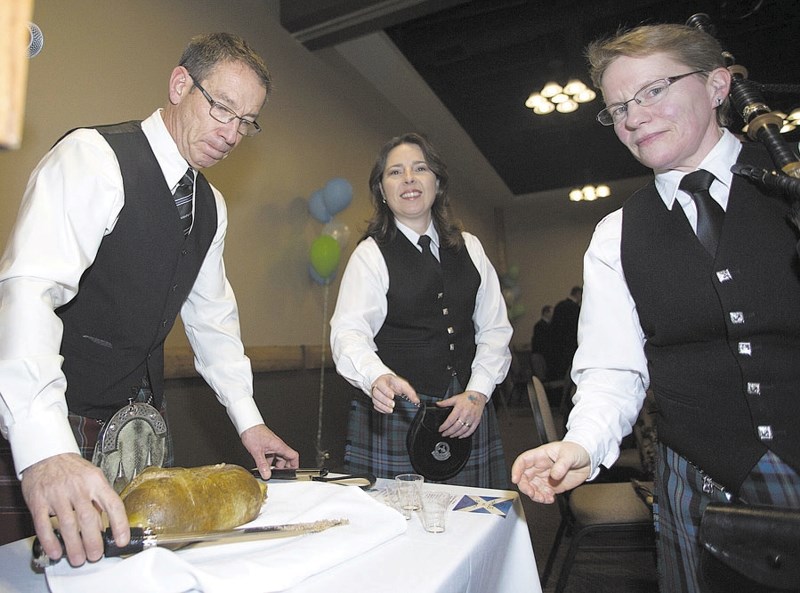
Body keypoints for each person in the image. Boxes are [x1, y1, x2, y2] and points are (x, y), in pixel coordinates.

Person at [511, 23, 800, 593]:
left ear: (718, 85)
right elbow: (615, 369)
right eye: (618, 108)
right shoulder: (615, 236)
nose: (634, 117)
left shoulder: (788, 185)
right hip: (700, 480)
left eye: (654, 91)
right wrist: (583, 445)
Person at [0, 33, 299, 566]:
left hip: (141, 436)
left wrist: (249, 420)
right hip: (53, 424)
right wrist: (44, 448)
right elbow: (27, 293)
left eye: (246, 122)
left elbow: (213, 322)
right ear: (181, 84)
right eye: (222, 108)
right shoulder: (93, 157)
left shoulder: (211, 206)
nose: (231, 134)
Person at [330, 132, 512, 488]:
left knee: (476, 523)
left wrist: (478, 392)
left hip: (468, 404)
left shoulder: (470, 247)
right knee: (400, 530)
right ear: (382, 190)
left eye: (420, 169)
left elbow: (495, 330)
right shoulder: (370, 254)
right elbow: (348, 332)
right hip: (399, 413)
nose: (409, 179)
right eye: (395, 172)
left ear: (437, 182)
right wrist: (375, 376)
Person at [548, 286, 582, 380]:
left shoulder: (559, 305)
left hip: (557, 348)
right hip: (570, 347)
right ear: (578, 294)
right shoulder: (575, 308)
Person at [530, 304, 554, 379]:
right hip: (542, 355)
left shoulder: (541, 325)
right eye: (551, 312)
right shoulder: (540, 326)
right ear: (546, 313)